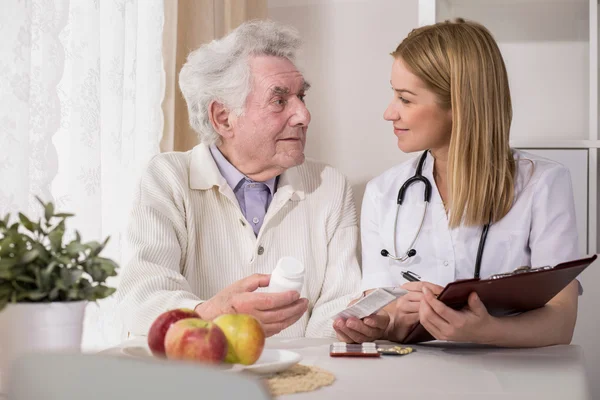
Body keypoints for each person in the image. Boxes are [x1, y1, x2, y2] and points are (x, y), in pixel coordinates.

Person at [333, 19, 580, 347]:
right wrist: (377, 325)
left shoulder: (544, 185)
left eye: (405, 99)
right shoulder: (384, 193)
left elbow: (561, 323)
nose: (389, 113)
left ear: (459, 105)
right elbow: (384, 312)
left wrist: (484, 331)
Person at [116, 20, 361, 339]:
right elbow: (142, 298)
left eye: (301, 97)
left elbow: (338, 304)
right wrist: (214, 314)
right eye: (279, 101)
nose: (304, 115)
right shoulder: (168, 178)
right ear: (223, 118)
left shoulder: (329, 185)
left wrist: (358, 322)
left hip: (305, 381)